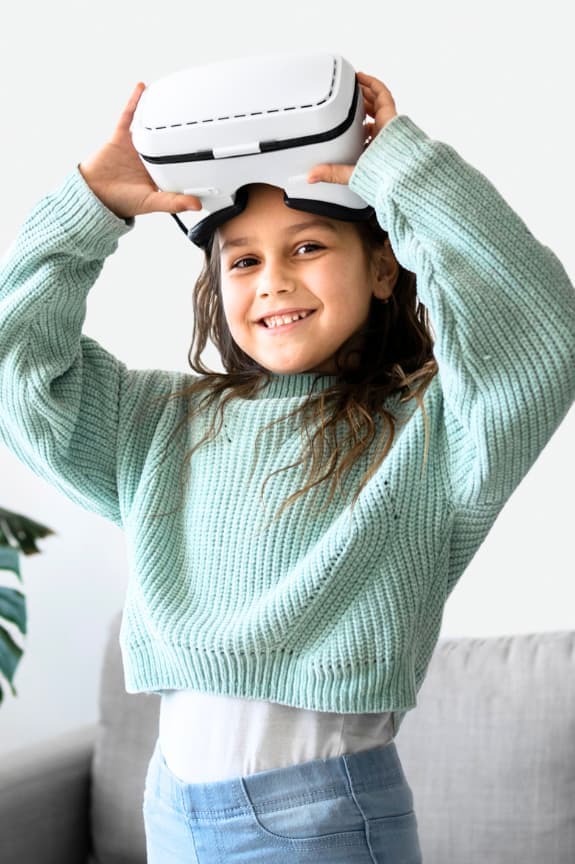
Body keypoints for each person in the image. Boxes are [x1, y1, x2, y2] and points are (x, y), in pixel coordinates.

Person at [0, 67, 574, 864]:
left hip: (320, 822)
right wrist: (89, 206)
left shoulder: (433, 432)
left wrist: (400, 168)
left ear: (380, 269)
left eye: (307, 246)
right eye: (242, 261)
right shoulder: (159, 422)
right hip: (170, 810)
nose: (273, 280)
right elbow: (14, 366)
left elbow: (537, 326)